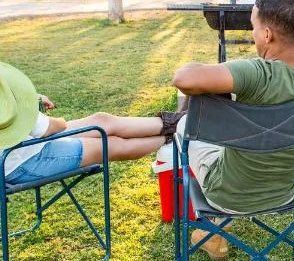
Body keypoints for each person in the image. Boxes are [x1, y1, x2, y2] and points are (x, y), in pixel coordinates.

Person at [173, 0, 294, 260]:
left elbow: (183, 78)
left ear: (267, 35)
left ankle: (212, 230)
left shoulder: (255, 72)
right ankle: (213, 233)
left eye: (254, 27)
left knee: (183, 127)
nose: (253, 34)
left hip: (226, 198)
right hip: (284, 194)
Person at [0, 61, 183, 186]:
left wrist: (30, 99)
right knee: (109, 144)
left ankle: (178, 122)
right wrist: (31, 108)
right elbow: (52, 127)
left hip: (25, 143)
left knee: (102, 120)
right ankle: (179, 136)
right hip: (22, 161)